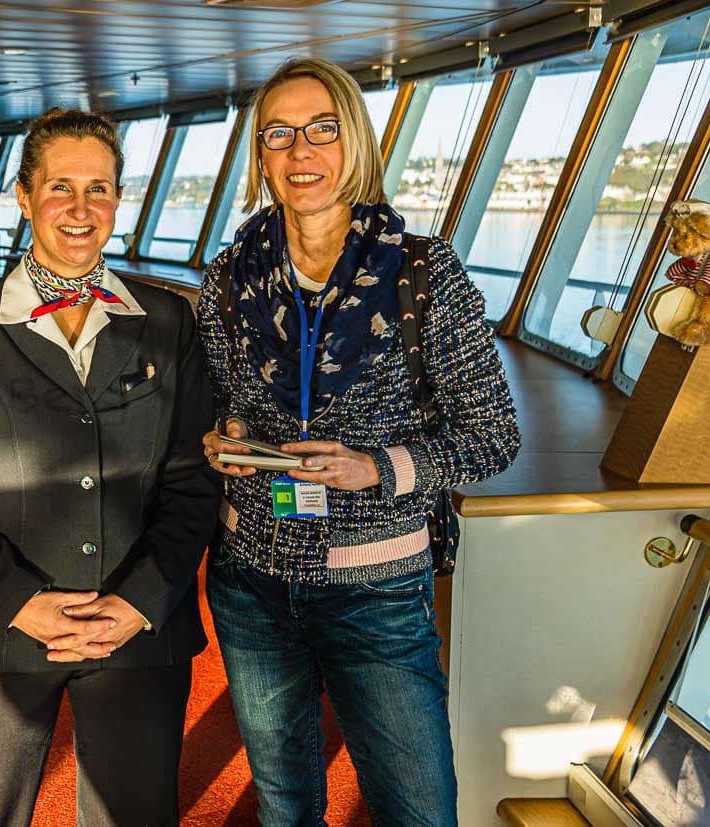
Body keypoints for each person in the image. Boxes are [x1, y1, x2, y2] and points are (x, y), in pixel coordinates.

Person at [197, 57, 520, 827]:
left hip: (376, 589)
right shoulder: (229, 276)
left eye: (321, 130)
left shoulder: (423, 272)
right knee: (286, 806)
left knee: (417, 810)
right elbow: (219, 405)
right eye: (279, 133)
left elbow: (493, 435)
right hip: (250, 580)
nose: (299, 151)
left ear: (356, 143)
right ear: (260, 153)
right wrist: (226, 436)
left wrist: (378, 467)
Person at [0, 108, 220, 827]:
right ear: (23, 196)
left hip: (137, 627)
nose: (80, 209)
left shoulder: (171, 323)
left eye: (100, 188)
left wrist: (137, 602)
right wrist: (23, 603)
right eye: (60, 187)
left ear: (118, 198)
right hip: (2, 620)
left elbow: (191, 483)